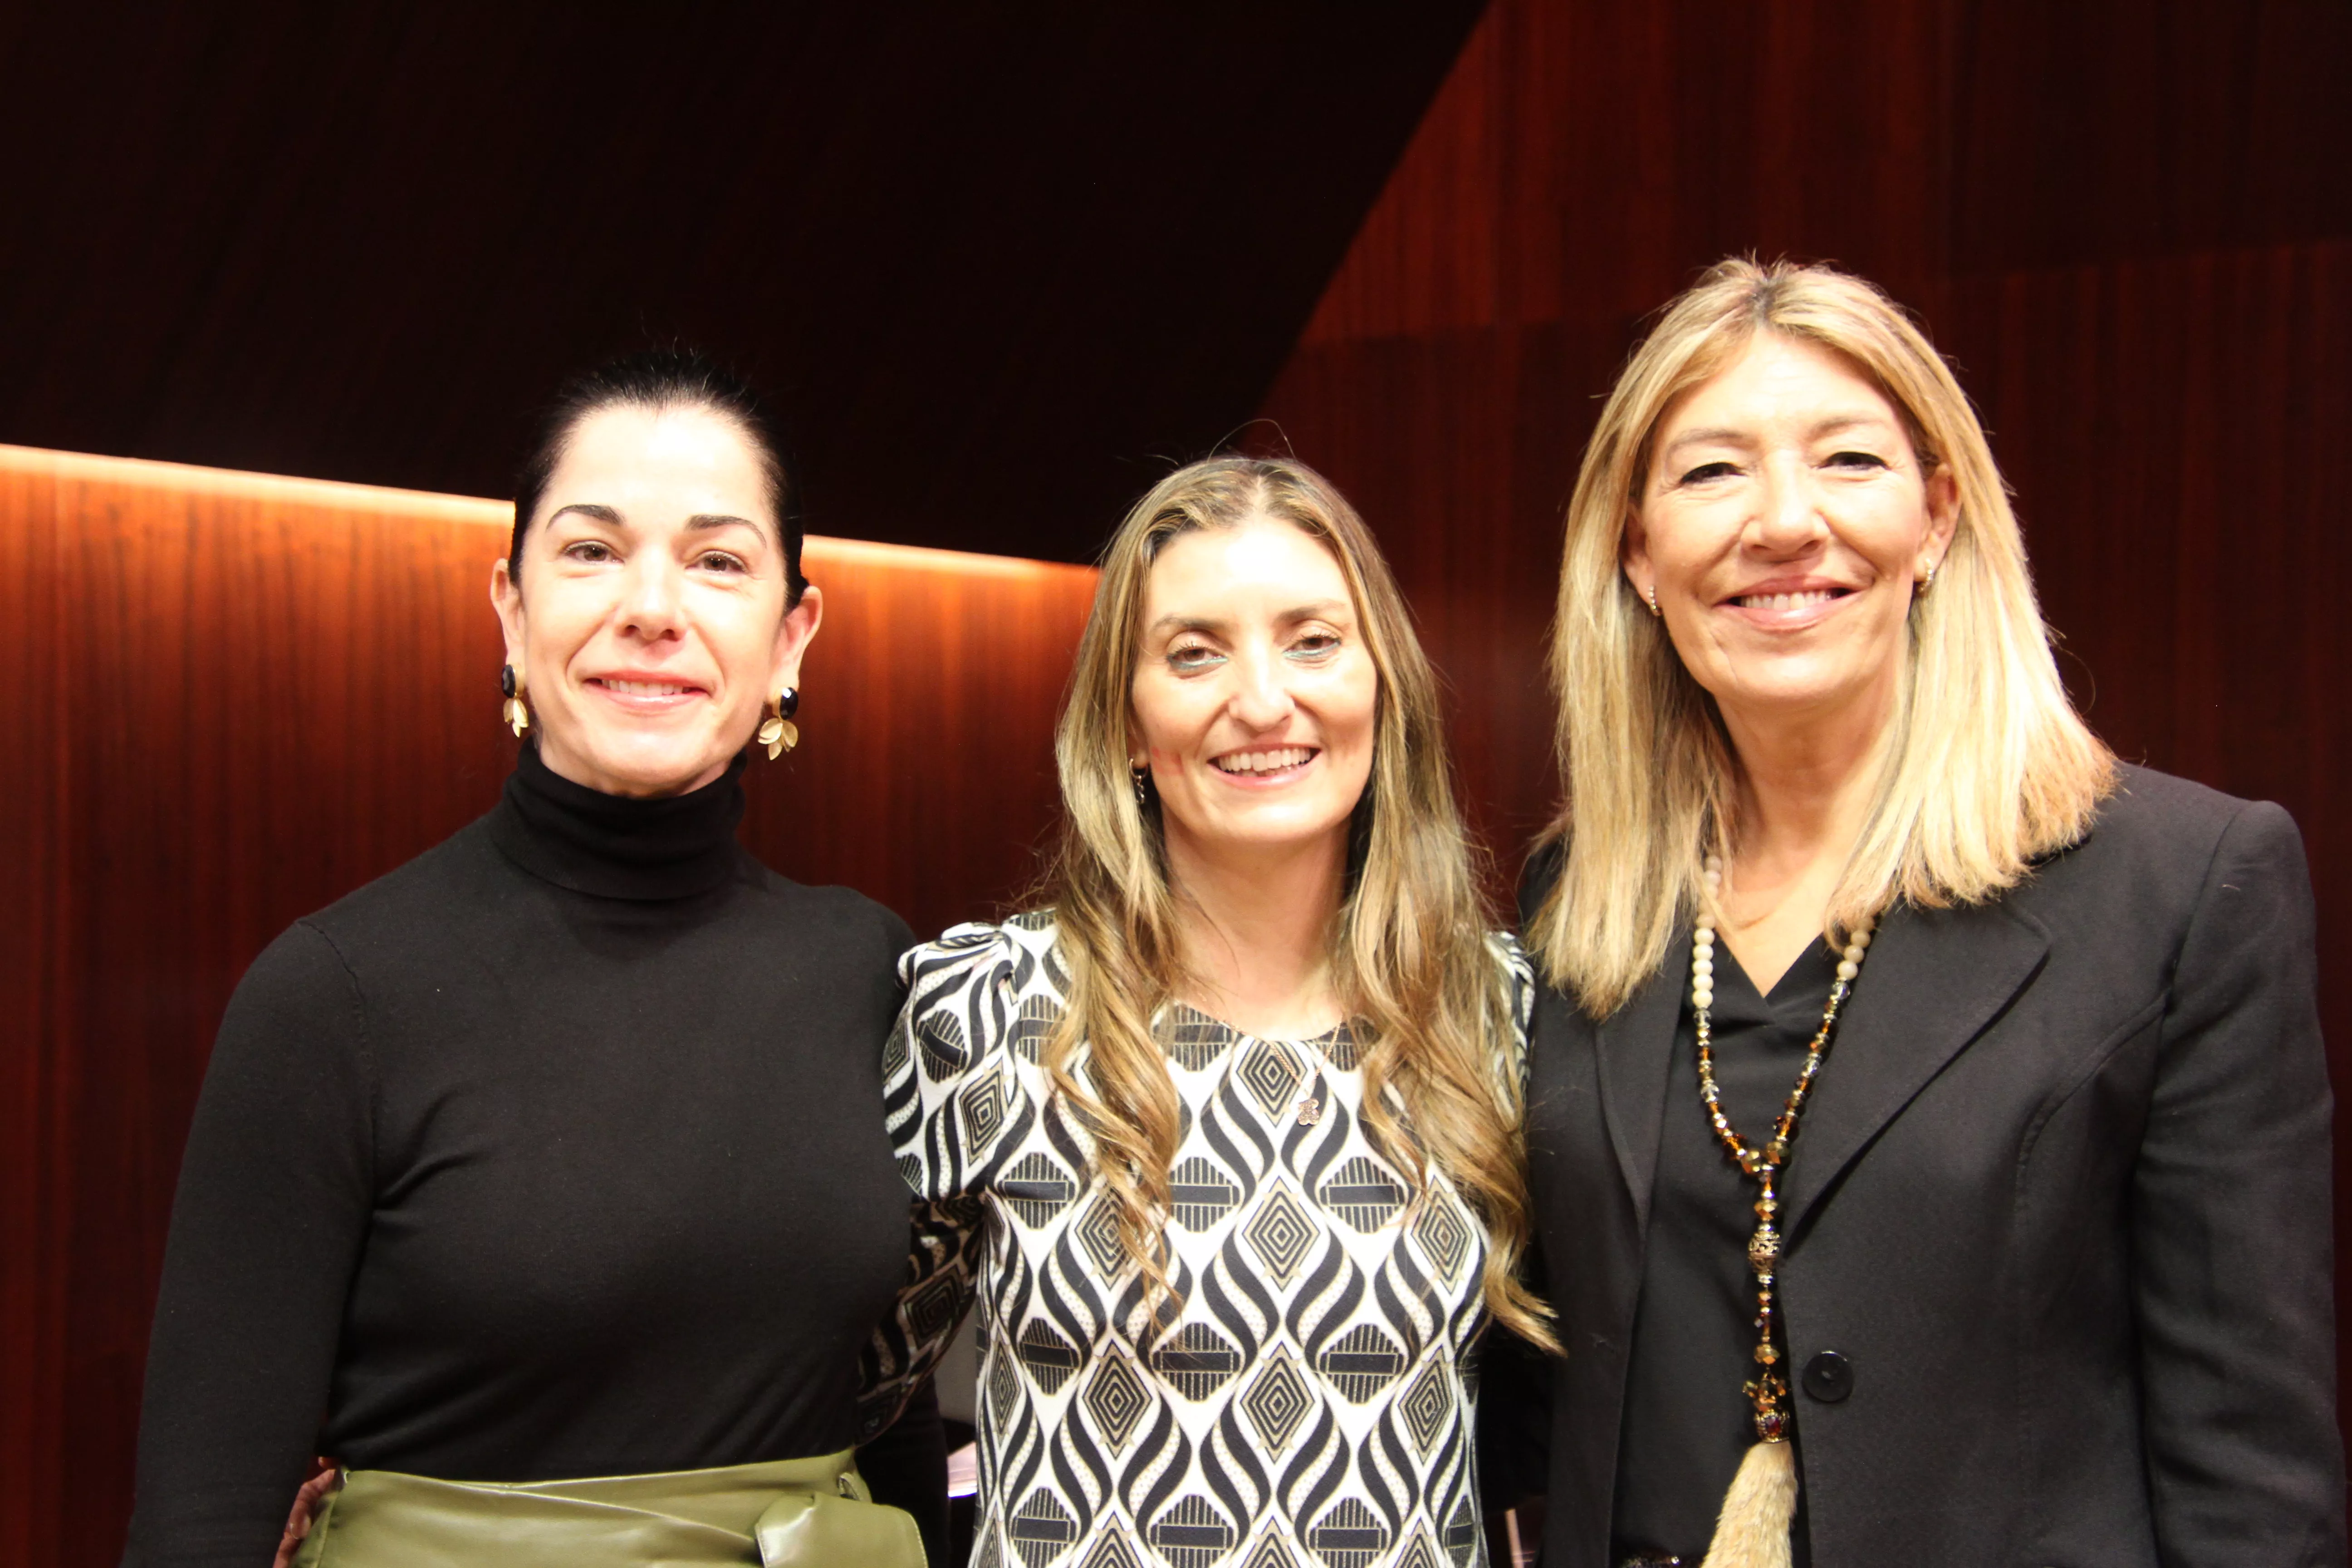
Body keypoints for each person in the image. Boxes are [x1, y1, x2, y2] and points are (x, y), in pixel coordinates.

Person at [1496, 258, 2340, 1567]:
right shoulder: (1579, 900)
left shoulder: (2182, 887)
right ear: (1638, 552)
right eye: (1712, 472)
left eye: (1848, 460)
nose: (1785, 522)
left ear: (1938, 520)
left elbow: (2251, 1469)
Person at [124, 352, 938, 1568]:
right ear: (510, 609)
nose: (653, 608)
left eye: (718, 562)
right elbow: (203, 1515)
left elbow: (894, 1412)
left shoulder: (872, 970)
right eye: (592, 550)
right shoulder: (337, 995)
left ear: (791, 636)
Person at [863, 455, 1554, 1567]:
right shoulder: (985, 1010)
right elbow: (846, 1393)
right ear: (1128, 723)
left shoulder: (1502, 1014)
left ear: (1383, 686)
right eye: (1194, 653)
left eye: (1313, 641)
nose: (1264, 700)